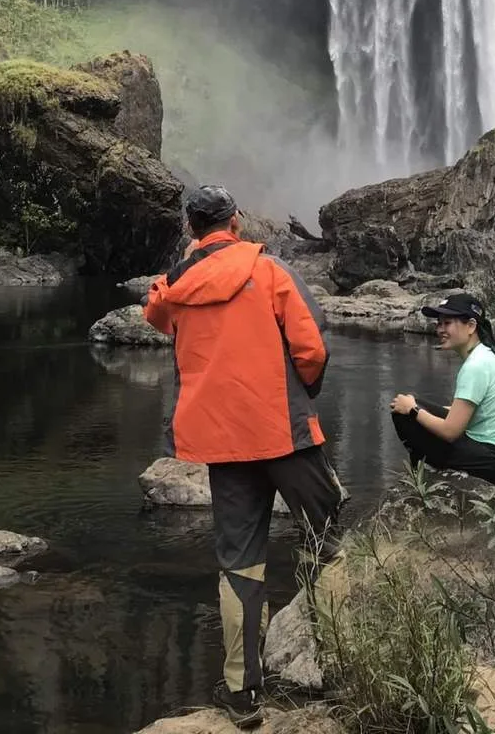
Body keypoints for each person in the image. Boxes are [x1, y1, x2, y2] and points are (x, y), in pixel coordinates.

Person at [144, 185, 341, 730]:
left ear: (191, 229)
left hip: (223, 445)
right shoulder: (271, 270)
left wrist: (189, 261)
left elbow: (156, 313)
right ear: (236, 221)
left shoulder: (175, 288)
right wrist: (304, 393)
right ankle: (343, 655)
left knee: (239, 561)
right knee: (330, 529)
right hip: (285, 433)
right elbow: (312, 346)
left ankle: (241, 693)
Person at [390, 293, 495, 489]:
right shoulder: (485, 356)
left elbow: (450, 432)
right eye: (438, 324)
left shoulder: (475, 366)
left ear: (471, 326)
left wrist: (413, 410)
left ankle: (427, 476)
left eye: (447, 323)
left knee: (404, 414)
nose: (440, 330)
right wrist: (417, 406)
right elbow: (471, 411)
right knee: (414, 402)